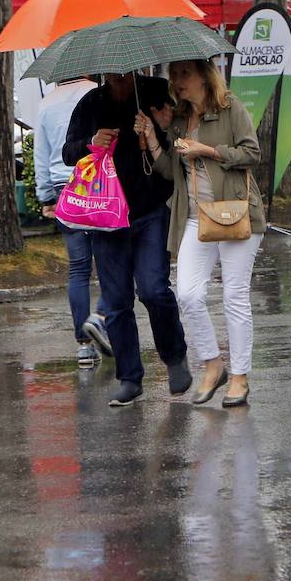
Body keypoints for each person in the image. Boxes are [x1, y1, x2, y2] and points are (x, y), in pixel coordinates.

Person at [63, 71, 190, 407]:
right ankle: (130, 378)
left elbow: (181, 135)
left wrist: (155, 129)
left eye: (124, 72)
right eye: (112, 73)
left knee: (153, 289)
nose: (118, 77)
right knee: (117, 302)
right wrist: (92, 142)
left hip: (150, 210)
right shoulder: (92, 102)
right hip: (107, 217)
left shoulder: (156, 92)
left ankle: (175, 357)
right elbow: (68, 151)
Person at [146, 59, 264, 408]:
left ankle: (240, 377)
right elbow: (171, 170)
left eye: (184, 74)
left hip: (235, 213)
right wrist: (155, 138)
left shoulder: (230, 108)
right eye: (174, 75)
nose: (177, 81)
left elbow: (252, 152)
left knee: (234, 296)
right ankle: (213, 364)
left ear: (203, 76)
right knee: (188, 295)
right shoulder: (181, 119)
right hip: (196, 218)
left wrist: (207, 151)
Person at [34, 76, 111, 368]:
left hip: (61, 186)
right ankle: (101, 317)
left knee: (78, 267)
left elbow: (41, 156)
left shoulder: (45, 103)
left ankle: (83, 346)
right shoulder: (97, 94)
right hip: (96, 181)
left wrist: (45, 197)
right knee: (108, 258)